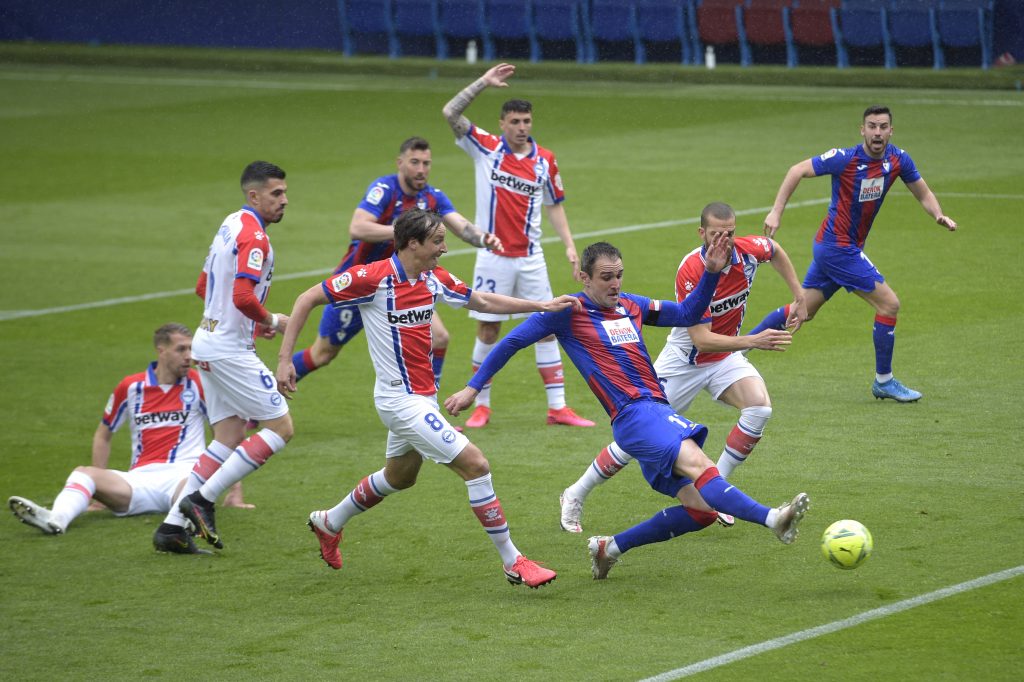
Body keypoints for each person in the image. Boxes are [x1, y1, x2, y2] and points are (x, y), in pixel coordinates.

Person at [445, 241, 810, 580]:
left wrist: (712, 273)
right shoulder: (568, 312)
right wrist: (473, 388)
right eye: (606, 277)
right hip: (634, 415)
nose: (615, 284)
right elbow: (512, 341)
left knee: (700, 511)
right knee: (702, 467)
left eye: (619, 275)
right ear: (584, 278)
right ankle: (773, 519)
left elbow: (685, 313)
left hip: (653, 412)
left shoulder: (631, 305)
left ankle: (610, 547)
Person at [276, 209, 580, 588]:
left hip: (423, 400)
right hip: (399, 402)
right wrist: (285, 359)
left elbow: (481, 301)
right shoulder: (373, 278)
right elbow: (307, 298)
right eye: (437, 241)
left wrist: (541, 305)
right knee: (476, 464)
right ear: (412, 244)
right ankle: (513, 561)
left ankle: (329, 521)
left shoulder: (433, 279)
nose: (444, 248)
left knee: (399, 477)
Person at [558, 203, 806, 533]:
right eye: (717, 234)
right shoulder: (692, 269)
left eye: (730, 233)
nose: (725, 240)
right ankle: (576, 492)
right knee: (635, 439)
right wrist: (753, 341)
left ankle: (717, 493)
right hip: (685, 362)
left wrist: (799, 294)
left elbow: (773, 248)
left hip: (725, 356)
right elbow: (702, 339)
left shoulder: (747, 252)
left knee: (759, 409)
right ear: (702, 233)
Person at [749, 105, 958, 402]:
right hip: (837, 248)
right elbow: (797, 170)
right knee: (889, 304)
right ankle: (884, 381)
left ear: (890, 131)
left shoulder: (898, 160)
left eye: (883, 126)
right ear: (862, 130)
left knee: (802, 310)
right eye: (871, 126)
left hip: (840, 248)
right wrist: (776, 211)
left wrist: (938, 215)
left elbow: (923, 192)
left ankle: (735, 349)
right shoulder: (845, 159)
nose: (877, 132)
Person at [152, 161, 295, 553]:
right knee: (281, 428)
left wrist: (251, 322)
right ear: (254, 195)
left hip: (207, 341)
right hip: (230, 349)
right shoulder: (255, 239)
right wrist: (272, 319)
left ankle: (170, 529)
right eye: (276, 194)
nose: (284, 200)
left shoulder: (229, 224)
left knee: (229, 437)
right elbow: (244, 297)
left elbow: (204, 286)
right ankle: (202, 501)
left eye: (284, 192)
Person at [442, 62, 594, 429]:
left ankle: (557, 407)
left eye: (527, 121)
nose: (522, 128)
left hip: (531, 258)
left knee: (547, 322)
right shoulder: (486, 148)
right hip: (492, 258)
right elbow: (450, 112)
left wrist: (570, 247)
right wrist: (483, 82)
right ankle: (481, 404)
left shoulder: (545, 160)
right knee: (488, 330)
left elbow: (555, 205)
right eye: (515, 122)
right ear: (502, 123)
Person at [8, 324, 248, 551]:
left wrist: (235, 492)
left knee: (192, 490)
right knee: (83, 473)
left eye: (191, 348)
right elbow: (103, 435)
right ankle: (56, 519)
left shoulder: (199, 382)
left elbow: (225, 435)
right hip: (138, 481)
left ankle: (187, 525)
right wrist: (98, 497)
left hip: (185, 475)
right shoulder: (131, 387)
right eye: (181, 349)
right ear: (161, 350)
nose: (189, 356)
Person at [289, 137, 502, 387]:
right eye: (414, 162)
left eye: (426, 163)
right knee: (323, 353)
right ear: (400, 163)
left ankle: (428, 405)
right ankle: (268, 390)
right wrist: (405, 231)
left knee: (439, 338)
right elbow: (358, 227)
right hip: (360, 284)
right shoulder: (385, 190)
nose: (421, 169)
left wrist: (483, 238)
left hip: (402, 284)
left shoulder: (433, 197)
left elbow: (461, 226)